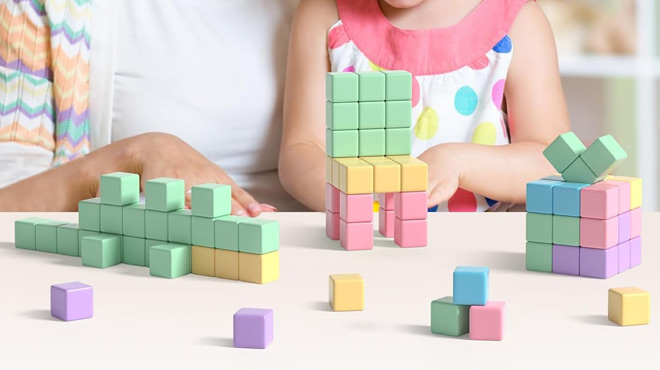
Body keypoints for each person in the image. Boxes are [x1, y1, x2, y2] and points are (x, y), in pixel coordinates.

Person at [0, 0, 304, 213]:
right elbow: (9, 204)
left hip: (300, 264)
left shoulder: (329, 10)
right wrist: (137, 155)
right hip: (133, 273)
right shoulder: (54, 8)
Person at [279, 0, 570, 212]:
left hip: (483, 248)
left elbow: (553, 161)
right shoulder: (323, 13)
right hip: (363, 245)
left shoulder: (519, 21)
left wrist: (457, 163)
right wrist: (352, 206)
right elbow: (301, 149)